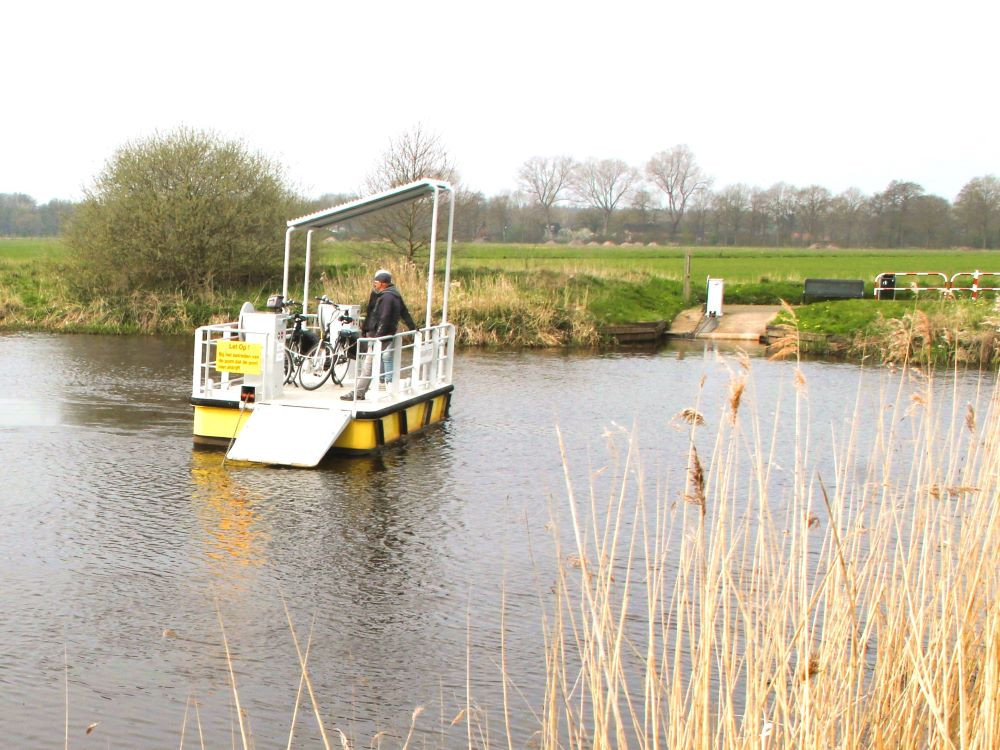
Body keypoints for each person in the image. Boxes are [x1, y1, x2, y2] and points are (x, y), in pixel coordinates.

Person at [341, 269, 416, 400]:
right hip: (382, 334)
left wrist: (378, 337)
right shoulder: (394, 294)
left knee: (368, 365)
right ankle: (363, 390)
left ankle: (358, 393)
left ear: (382, 283)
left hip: (380, 336)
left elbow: (384, 317)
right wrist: (414, 328)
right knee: (370, 363)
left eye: (376, 282)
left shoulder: (387, 297)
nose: (374, 284)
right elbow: (404, 312)